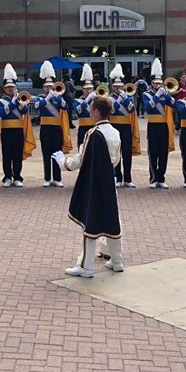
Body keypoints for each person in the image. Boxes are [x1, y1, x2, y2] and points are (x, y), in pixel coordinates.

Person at [54, 94, 123, 278]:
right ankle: (117, 261)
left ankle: (86, 266)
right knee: (112, 218)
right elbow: (116, 160)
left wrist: (64, 163)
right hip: (110, 180)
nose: (89, 112)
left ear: (96, 111)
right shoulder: (115, 132)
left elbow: (80, 160)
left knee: (90, 221)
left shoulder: (93, 133)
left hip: (95, 182)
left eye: (91, 109)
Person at [33, 60, 71, 187]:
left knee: (57, 153)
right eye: (46, 87)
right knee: (46, 154)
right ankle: (47, 178)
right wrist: (48, 98)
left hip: (56, 128)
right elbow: (37, 106)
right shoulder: (40, 98)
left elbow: (65, 107)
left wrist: (57, 97)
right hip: (45, 128)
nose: (49, 89)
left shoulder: (58, 98)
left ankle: (57, 178)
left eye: (51, 87)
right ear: (43, 88)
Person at [0, 64, 34, 187]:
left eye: (12, 87)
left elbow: (24, 112)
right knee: (7, 154)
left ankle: (17, 177)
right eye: (8, 88)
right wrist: (13, 103)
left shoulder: (19, 100)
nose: (11, 89)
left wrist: (20, 102)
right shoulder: (0, 101)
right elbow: (2, 113)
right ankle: (7, 177)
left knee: (18, 154)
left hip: (18, 130)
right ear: (4, 89)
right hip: (6, 130)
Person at [142, 58, 174, 189]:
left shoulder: (164, 94)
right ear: (151, 83)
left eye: (160, 83)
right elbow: (148, 108)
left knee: (163, 152)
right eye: (156, 83)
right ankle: (153, 178)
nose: (158, 85)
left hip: (163, 125)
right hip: (152, 125)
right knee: (153, 151)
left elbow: (173, 104)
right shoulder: (146, 94)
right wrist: (157, 96)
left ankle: (161, 178)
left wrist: (166, 95)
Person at [108, 63, 139, 188]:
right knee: (116, 153)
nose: (118, 88)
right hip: (114, 125)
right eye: (116, 86)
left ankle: (127, 178)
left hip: (126, 126)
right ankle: (117, 177)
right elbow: (112, 111)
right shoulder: (110, 98)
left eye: (120, 86)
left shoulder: (128, 97)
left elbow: (132, 110)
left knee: (127, 152)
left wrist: (125, 99)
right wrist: (120, 100)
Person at [71, 64, 96, 148]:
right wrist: (88, 99)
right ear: (82, 89)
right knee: (82, 150)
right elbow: (78, 111)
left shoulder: (97, 101)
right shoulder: (77, 101)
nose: (88, 91)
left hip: (95, 128)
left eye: (90, 89)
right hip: (83, 128)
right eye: (86, 89)